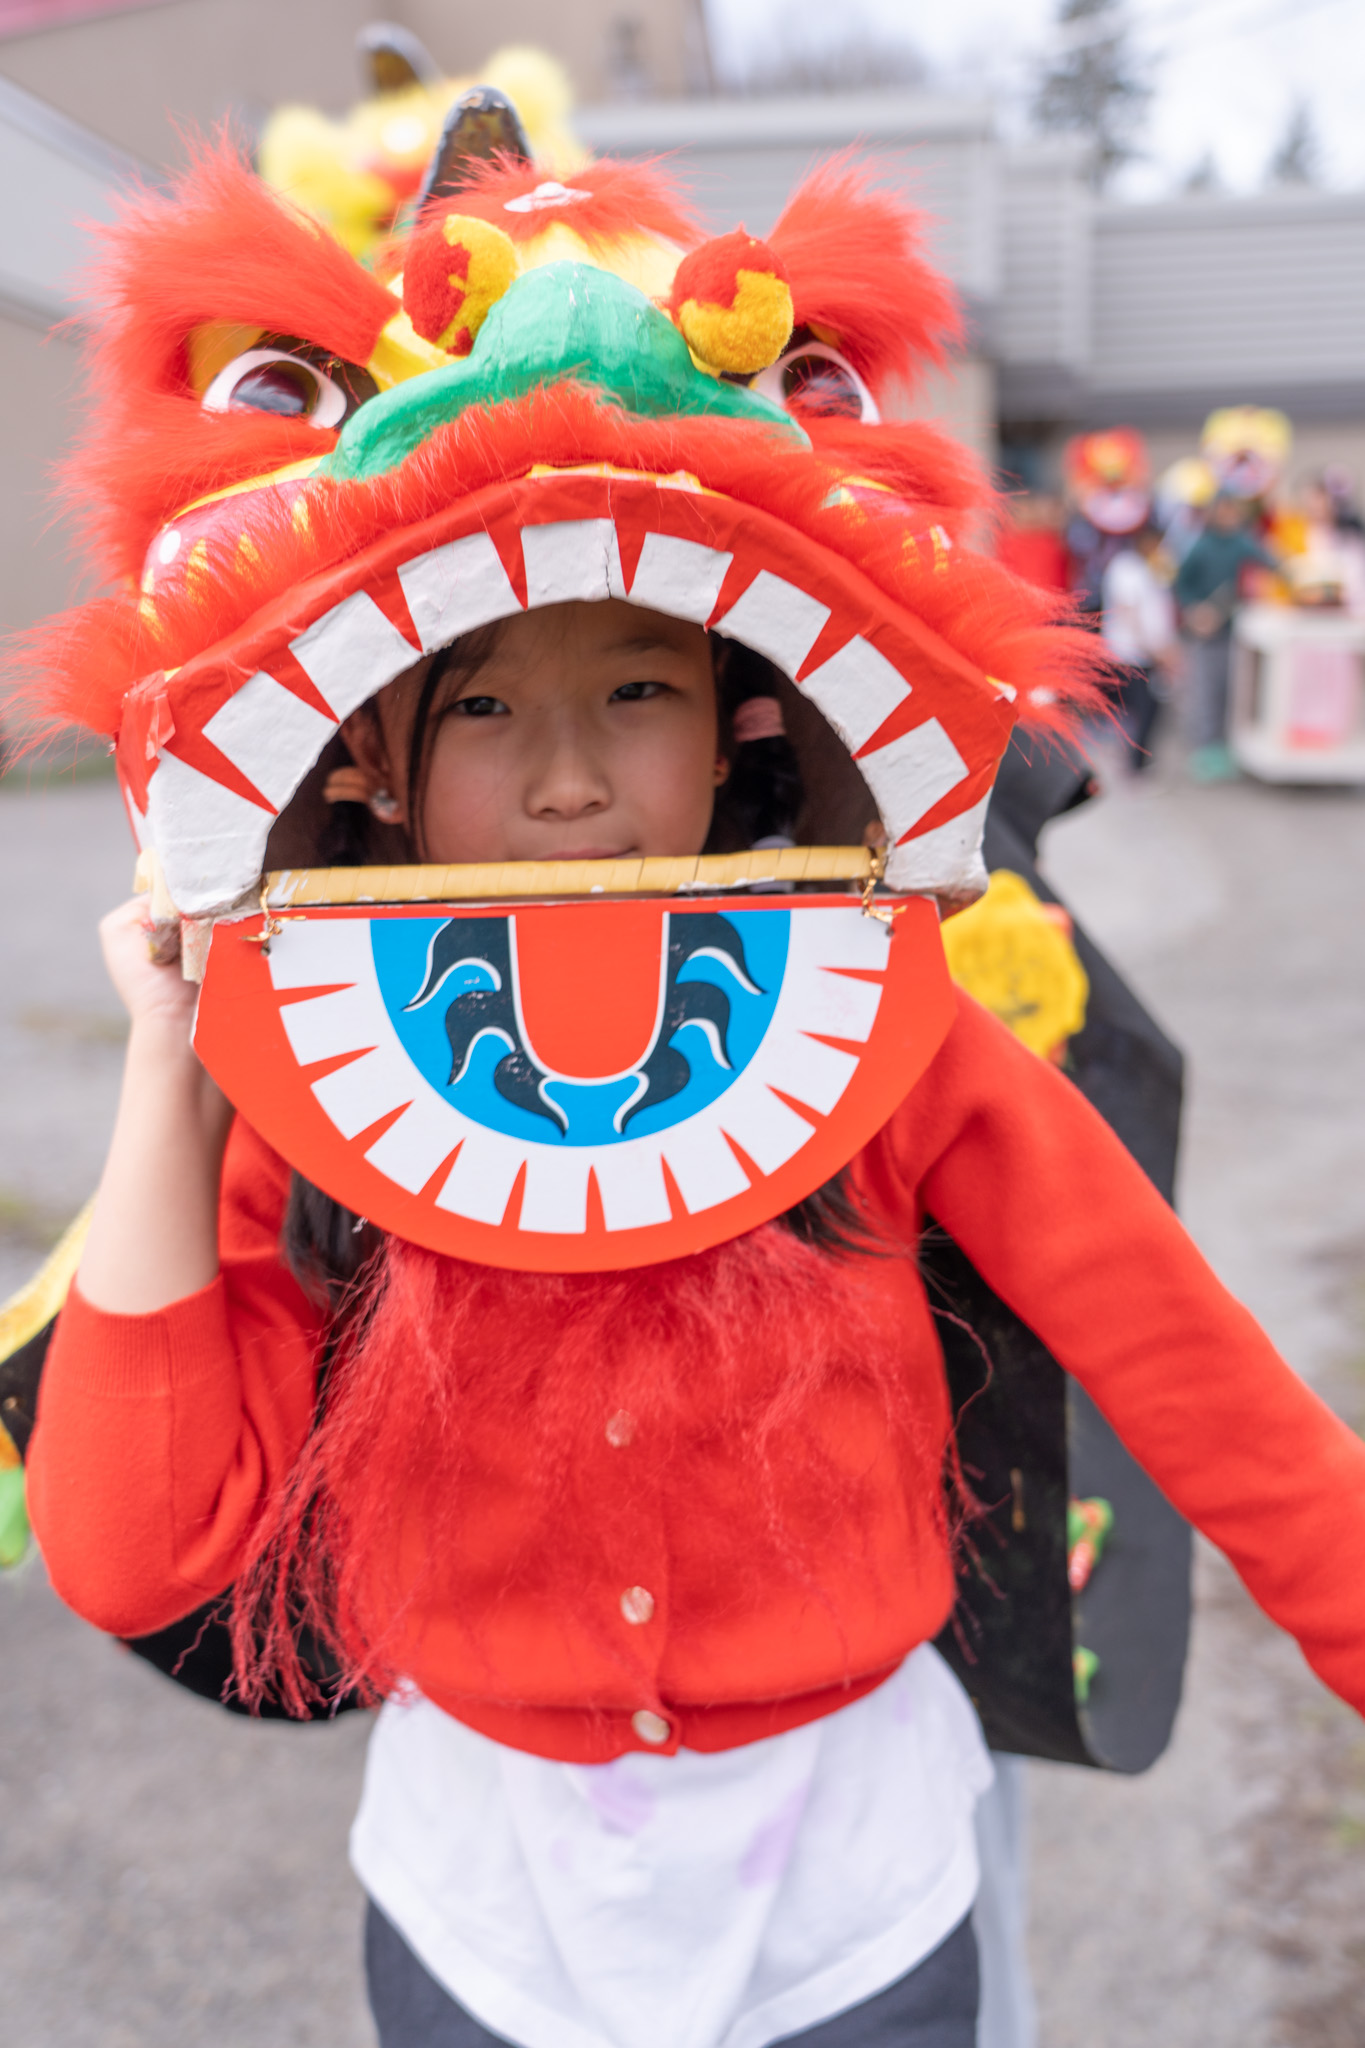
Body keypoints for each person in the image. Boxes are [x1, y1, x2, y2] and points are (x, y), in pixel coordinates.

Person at [18, 130, 1365, 2048]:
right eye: (486, 705)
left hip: (858, 1869)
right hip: (481, 1890)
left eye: (634, 689)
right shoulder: (302, 1050)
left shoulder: (884, 1017)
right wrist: (177, 1050)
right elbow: (135, 1543)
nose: (567, 777)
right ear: (382, 763)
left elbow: (1197, 1376)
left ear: (737, 712)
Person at [1172, 492, 1279, 782]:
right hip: (1207, 631)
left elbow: (1272, 564)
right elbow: (1181, 585)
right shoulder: (1201, 546)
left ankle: (1227, 748)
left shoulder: (1244, 542)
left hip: (1239, 631)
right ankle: (1204, 748)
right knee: (1206, 691)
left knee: (1236, 691)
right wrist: (1195, 611)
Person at [1098, 522, 1178, 769]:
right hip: (1131, 653)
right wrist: (1155, 649)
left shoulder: (1150, 567)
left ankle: (1138, 763)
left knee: (1151, 710)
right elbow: (1129, 612)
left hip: (1147, 653)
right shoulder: (1126, 568)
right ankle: (1134, 766)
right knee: (1141, 711)